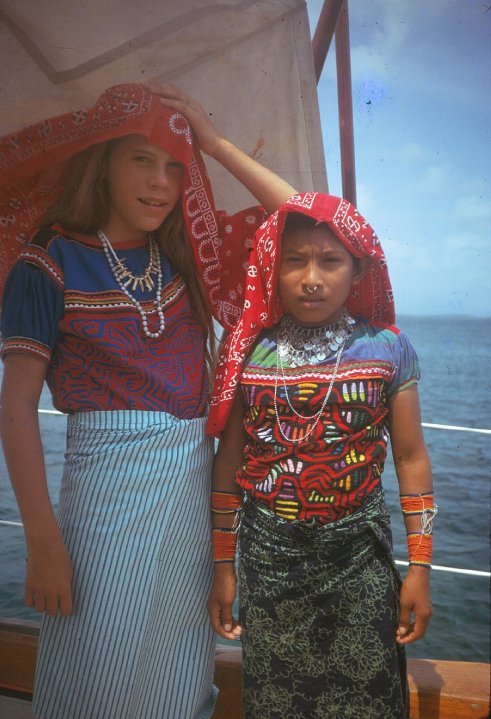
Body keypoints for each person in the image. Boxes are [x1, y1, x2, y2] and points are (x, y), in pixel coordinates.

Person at [0, 83, 296, 719]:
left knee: (180, 671)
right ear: (102, 161)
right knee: (97, 669)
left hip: (193, 480)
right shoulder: (48, 259)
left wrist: (215, 145)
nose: (160, 183)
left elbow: (310, 221)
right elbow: (17, 407)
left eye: (175, 167)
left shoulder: (189, 255)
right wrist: (44, 544)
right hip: (104, 490)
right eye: (141, 160)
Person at [207, 192, 436, 719]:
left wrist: (420, 569)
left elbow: (411, 460)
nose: (311, 278)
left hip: (359, 563)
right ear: (272, 268)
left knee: (371, 699)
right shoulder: (248, 352)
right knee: (276, 704)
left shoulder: (387, 349)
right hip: (268, 566)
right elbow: (229, 466)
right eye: (295, 260)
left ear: (359, 271)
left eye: (330, 261)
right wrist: (224, 567)